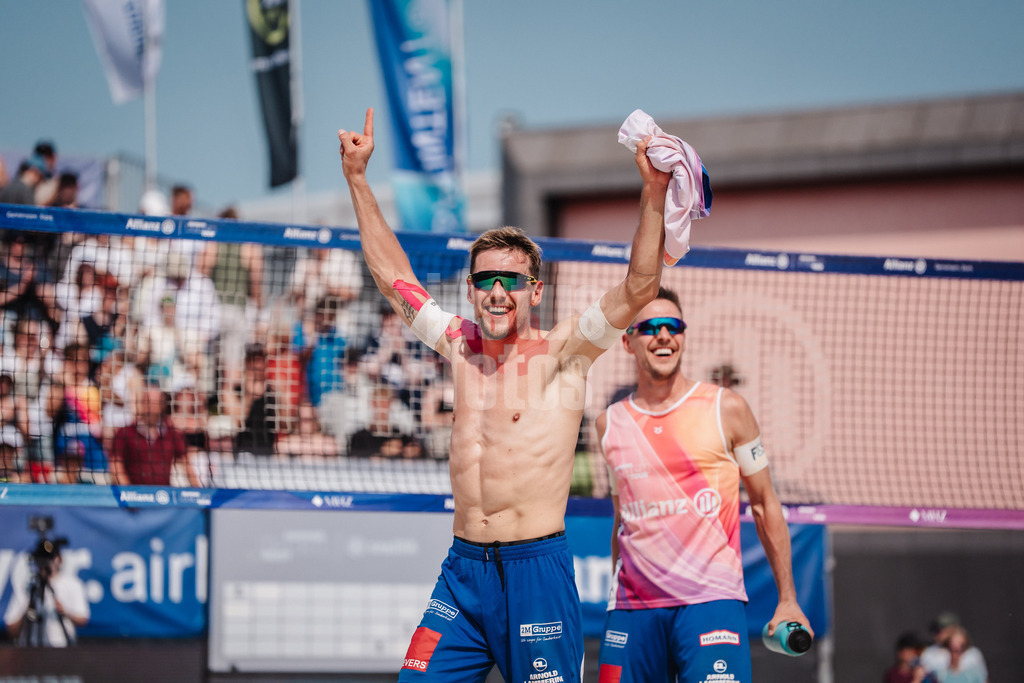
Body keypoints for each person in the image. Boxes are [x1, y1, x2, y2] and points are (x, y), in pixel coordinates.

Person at [337, 107, 668, 681]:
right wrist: (359, 181)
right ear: (470, 289)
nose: (496, 291)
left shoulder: (566, 350)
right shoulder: (458, 346)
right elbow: (394, 278)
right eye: (485, 280)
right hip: (463, 573)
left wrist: (654, 191)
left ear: (533, 290)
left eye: (510, 280)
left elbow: (640, 285)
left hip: (535, 570)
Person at [596, 287, 813, 682]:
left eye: (673, 326)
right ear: (627, 341)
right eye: (650, 327)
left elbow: (765, 503)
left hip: (710, 601)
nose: (664, 335)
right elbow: (620, 520)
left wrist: (788, 599)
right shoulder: (609, 424)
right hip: (631, 609)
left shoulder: (726, 408)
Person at [109, 384, 199, 486]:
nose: (149, 406)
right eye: (146, 401)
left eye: (153, 403)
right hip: (133, 494)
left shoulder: (172, 434)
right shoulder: (125, 433)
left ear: (162, 405)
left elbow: (187, 464)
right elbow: (116, 465)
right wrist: (129, 493)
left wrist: (200, 492)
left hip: (163, 495)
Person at [4, 539, 89, 647]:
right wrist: (27, 611)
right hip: (29, 652)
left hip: (60, 650)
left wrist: (64, 611)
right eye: (41, 559)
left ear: (59, 559)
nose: (44, 564)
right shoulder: (26, 588)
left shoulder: (73, 584)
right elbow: (11, 631)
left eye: (49, 558)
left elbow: (83, 619)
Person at [920, 613, 988, 683]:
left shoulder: (973, 654)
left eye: (941, 629)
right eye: (936, 630)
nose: (938, 634)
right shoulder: (929, 653)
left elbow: (982, 679)